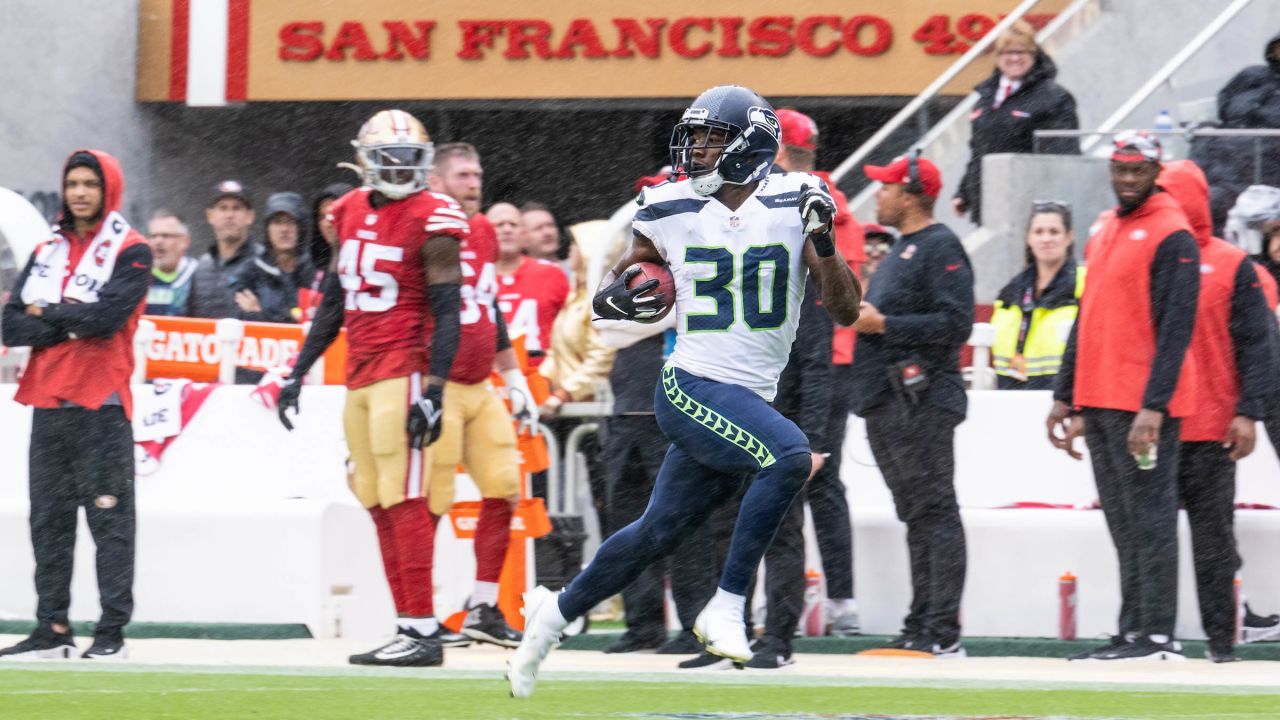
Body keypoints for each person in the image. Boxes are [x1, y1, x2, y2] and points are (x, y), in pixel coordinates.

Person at [508, 84, 862, 698]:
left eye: (711, 138)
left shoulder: (797, 199)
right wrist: (622, 293)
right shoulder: (666, 206)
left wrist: (826, 243)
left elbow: (847, 309)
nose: (696, 149)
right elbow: (624, 290)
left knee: (657, 531)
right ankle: (726, 605)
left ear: (751, 143)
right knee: (789, 457)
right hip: (692, 383)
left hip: (749, 393)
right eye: (693, 137)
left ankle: (553, 616)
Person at [274, 110, 466, 667]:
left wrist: (434, 389)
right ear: (365, 162)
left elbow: (447, 313)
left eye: (411, 160)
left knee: (405, 498)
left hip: (403, 367)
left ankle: (424, 629)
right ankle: (408, 623)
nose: (402, 170)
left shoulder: (434, 217)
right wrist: (298, 368)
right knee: (377, 500)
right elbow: (334, 299)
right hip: (358, 370)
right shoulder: (348, 210)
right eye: (391, 160)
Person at [1048, 131, 1201, 661]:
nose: (1128, 179)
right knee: (1122, 521)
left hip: (1143, 410)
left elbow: (1177, 330)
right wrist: (1065, 394)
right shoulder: (1105, 228)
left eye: (1138, 171)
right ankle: (1132, 628)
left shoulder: (1173, 234)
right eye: (1120, 169)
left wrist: (1153, 407)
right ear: (1110, 170)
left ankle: (1157, 632)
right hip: (1103, 400)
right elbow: (1088, 317)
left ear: (1156, 171)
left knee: (1151, 518)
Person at [0, 149, 152, 660]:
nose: (80, 192)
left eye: (90, 183)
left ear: (108, 188)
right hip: (48, 402)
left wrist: (46, 316)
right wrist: (67, 319)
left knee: (109, 523)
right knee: (48, 521)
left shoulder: (132, 251)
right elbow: (11, 324)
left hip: (100, 404)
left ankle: (110, 634)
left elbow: (107, 320)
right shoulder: (47, 249)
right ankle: (53, 629)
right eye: (73, 183)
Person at [850, 153, 975, 658]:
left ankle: (941, 628)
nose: (877, 195)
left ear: (911, 194)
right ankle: (921, 620)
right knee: (918, 514)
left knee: (934, 510)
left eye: (885, 187)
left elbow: (955, 324)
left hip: (921, 399)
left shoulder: (941, 246)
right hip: (891, 401)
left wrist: (885, 326)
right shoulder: (905, 248)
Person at [1158, 159, 1277, 663]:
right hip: (1157, 425)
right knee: (1151, 539)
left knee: (1213, 542)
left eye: (1167, 193)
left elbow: (1258, 347)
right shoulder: (1151, 258)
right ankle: (1149, 639)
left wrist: (1247, 411)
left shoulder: (1234, 267)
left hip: (1209, 427)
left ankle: (1222, 645)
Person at [425, 143, 537, 648]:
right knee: (430, 499)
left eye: (478, 173)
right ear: (436, 179)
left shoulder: (486, 230)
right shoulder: (423, 223)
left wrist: (513, 376)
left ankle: (483, 605)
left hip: (477, 383)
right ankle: (420, 614)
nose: (474, 182)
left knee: (503, 489)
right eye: (463, 174)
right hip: (435, 381)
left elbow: (487, 307)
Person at [769, 108, 862, 637]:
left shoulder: (794, 201)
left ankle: (799, 600)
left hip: (806, 353)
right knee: (820, 483)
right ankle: (838, 599)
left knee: (797, 481)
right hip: (829, 354)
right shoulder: (833, 202)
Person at [953, 20, 1079, 225]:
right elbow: (978, 151)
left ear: (1034, 54)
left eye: (1022, 52)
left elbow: (1063, 157)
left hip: (1031, 211)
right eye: (1007, 52)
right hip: (989, 204)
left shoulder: (1053, 97)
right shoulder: (986, 96)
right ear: (997, 56)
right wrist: (964, 192)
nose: (1014, 58)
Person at [991, 201, 1084, 389]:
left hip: (1065, 399)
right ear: (1028, 238)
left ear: (1069, 237)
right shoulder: (1010, 293)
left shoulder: (1085, 285)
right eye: (1039, 232)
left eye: (1054, 232)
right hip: (1014, 398)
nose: (1046, 239)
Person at [1194, 33, 1280, 233]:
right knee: (1209, 201)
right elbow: (1224, 100)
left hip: (1263, 166)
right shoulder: (1252, 74)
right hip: (1226, 154)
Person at [488, 201, 570, 368]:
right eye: (499, 225)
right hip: (490, 383)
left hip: (545, 379)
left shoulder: (552, 274)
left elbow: (573, 330)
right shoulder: (474, 278)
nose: (506, 229)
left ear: (524, 235)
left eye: (513, 224)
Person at [232, 192, 316, 323]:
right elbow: (239, 319)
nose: (284, 229)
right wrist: (291, 316)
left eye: (290, 222)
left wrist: (262, 314)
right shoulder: (250, 271)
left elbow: (318, 322)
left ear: (302, 228)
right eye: (277, 222)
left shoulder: (316, 270)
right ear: (268, 229)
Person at [187, 180, 262, 319]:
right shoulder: (201, 268)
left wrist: (258, 315)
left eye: (237, 208)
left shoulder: (265, 264)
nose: (229, 215)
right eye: (223, 208)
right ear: (210, 216)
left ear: (250, 216)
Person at [144, 210, 196, 316]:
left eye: (166, 236)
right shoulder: (138, 276)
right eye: (153, 236)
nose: (158, 241)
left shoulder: (198, 275)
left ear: (184, 241)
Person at [309, 182, 354, 269]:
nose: (327, 224)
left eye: (334, 215)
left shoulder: (371, 261)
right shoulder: (312, 266)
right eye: (322, 217)